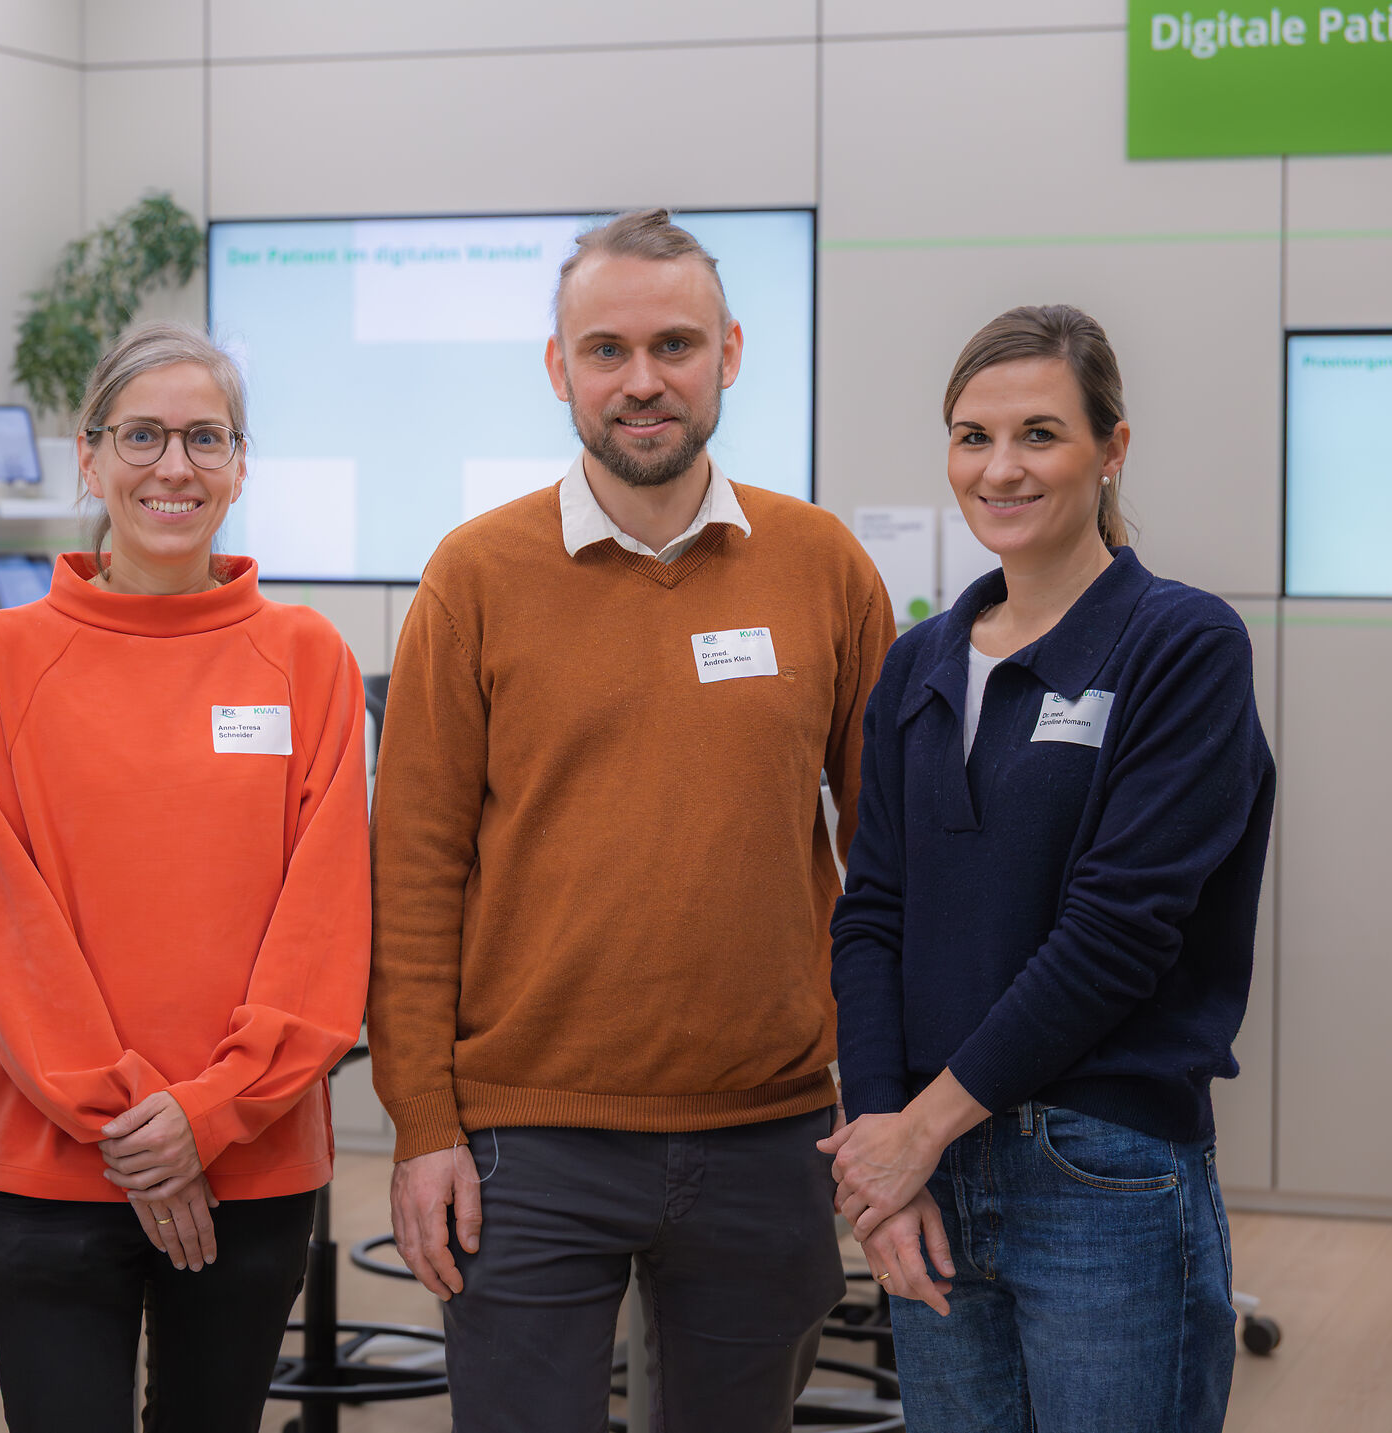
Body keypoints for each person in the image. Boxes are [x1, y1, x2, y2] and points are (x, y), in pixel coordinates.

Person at [368, 208, 895, 1430]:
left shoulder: (821, 566)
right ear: (558, 367)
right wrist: (421, 1125)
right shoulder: (474, 575)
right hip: (522, 1138)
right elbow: (412, 871)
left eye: (675, 344)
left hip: (771, 1129)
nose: (641, 379)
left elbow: (889, 862)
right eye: (605, 349)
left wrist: (879, 1094)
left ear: (729, 353)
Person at [824, 305, 1276, 1433]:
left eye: (1038, 432)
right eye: (971, 436)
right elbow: (870, 909)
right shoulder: (919, 660)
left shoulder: (1181, 644)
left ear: (1110, 447)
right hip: (926, 1171)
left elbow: (1115, 932)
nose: (1000, 467)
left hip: (1101, 1171)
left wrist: (909, 1131)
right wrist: (882, 1146)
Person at [0, 321, 370, 1433]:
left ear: (240, 465)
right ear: (88, 458)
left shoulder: (306, 656)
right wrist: (147, 1130)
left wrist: (212, 1113)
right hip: (51, 1163)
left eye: (203, 437)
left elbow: (325, 922)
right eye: (141, 434)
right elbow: (13, 925)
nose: (172, 465)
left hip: (256, 1165)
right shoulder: (4, 656)